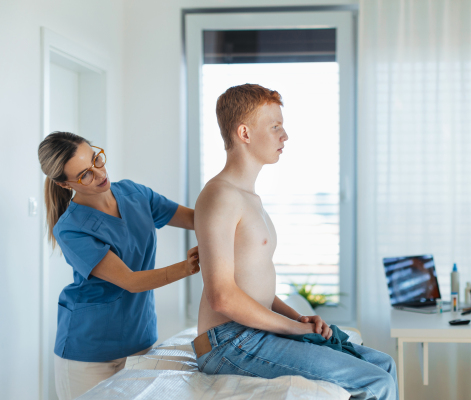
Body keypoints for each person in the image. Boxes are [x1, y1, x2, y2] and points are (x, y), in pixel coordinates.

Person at [192, 84, 398, 400]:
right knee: (375, 382)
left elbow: (252, 286)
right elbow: (223, 297)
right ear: (244, 133)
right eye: (275, 127)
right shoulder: (220, 196)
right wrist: (294, 329)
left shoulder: (249, 198)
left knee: (384, 365)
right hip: (229, 342)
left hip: (252, 333)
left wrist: (296, 318)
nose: (284, 135)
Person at [38, 132, 200, 400]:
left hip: (140, 340)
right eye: (84, 175)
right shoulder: (70, 229)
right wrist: (188, 267)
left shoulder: (136, 194)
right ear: (65, 184)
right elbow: (131, 281)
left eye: (96, 159)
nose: (100, 173)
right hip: (88, 353)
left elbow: (196, 219)